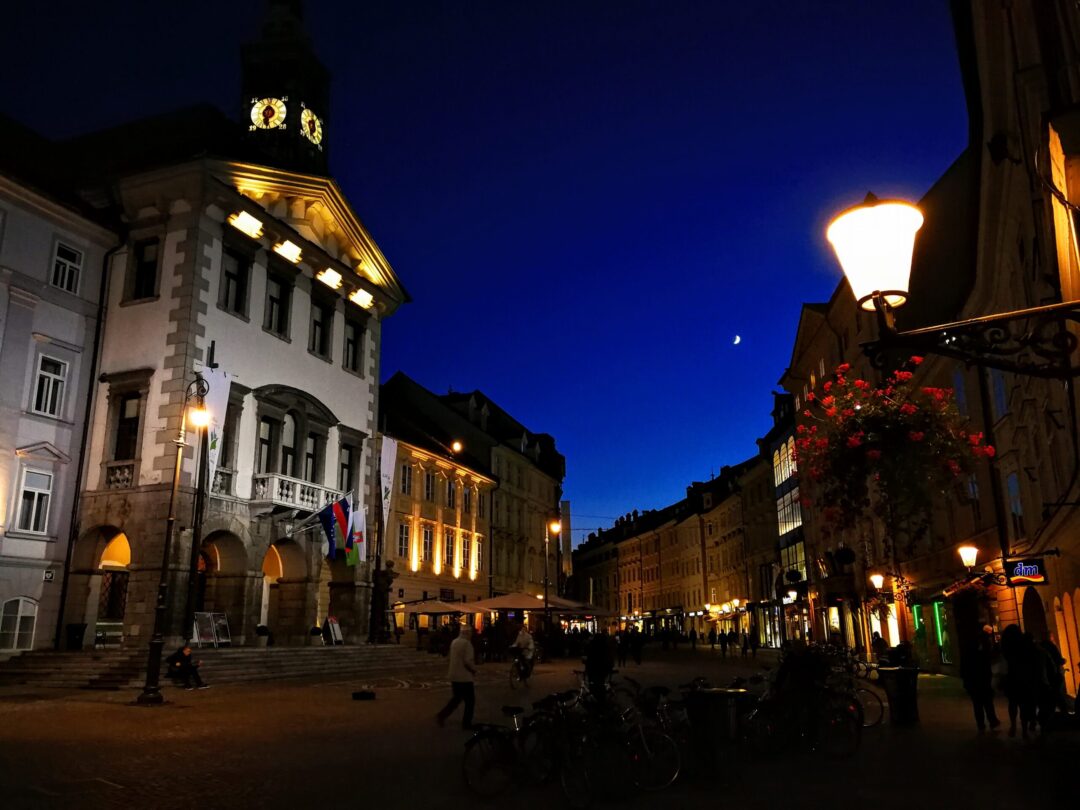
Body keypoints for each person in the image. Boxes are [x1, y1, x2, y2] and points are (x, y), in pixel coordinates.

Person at [436, 623, 477, 730]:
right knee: (470, 701)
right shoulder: (467, 644)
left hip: (454, 675)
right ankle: (466, 723)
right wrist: (473, 670)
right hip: (465, 677)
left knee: (457, 698)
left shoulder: (454, 642)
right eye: (470, 633)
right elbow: (467, 661)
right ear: (467, 633)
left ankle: (442, 715)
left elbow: (450, 658)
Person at [1000, 624, 1038, 738]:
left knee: (1013, 704)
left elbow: (1004, 664)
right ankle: (1024, 730)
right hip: (1023, 678)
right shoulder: (1023, 645)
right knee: (1023, 705)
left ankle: (1013, 726)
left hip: (1011, 678)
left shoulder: (1006, 647)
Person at [960, 628, 1000, 733]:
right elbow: (987, 665)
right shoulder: (981, 653)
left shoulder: (968, 654)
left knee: (977, 704)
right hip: (982, 681)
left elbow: (964, 670)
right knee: (987, 702)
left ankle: (981, 724)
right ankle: (992, 721)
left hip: (974, 682)